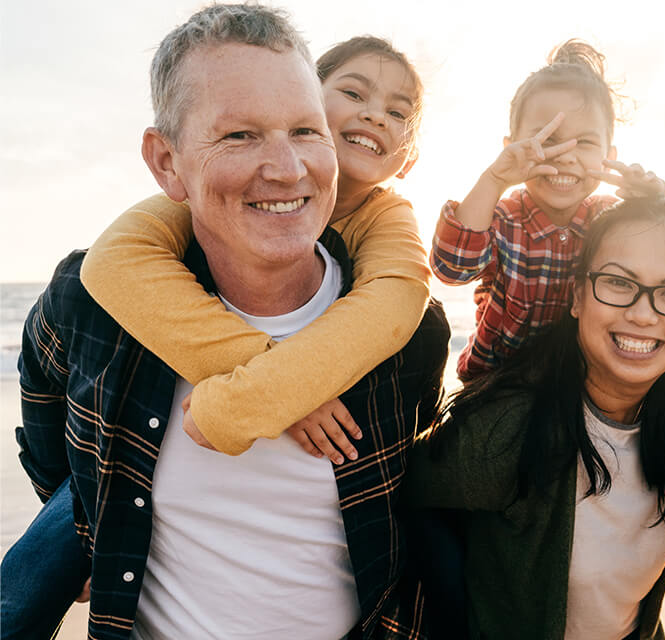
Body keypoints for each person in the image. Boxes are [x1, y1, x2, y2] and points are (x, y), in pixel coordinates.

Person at [9, 5, 448, 640]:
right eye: (239, 136)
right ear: (167, 163)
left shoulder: (411, 331)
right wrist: (88, 534)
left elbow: (411, 506)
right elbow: (45, 416)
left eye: (305, 131)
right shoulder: (93, 303)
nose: (287, 169)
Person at [76, 34, 430, 460]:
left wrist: (252, 400)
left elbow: (396, 299)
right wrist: (281, 391)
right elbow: (112, 261)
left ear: (408, 160)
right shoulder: (207, 193)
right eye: (354, 93)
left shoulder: (388, 215)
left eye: (397, 112)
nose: (375, 115)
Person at [406, 196, 665, 639]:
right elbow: (411, 496)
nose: (642, 313)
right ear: (577, 296)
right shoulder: (508, 429)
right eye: (618, 282)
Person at [430, 40, 665, 381]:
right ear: (510, 146)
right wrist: (494, 178)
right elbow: (451, 267)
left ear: (610, 151)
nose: (565, 155)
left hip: (578, 385)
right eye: (547, 139)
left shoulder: (612, 221)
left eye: (586, 143)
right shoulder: (501, 219)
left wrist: (661, 194)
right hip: (496, 382)